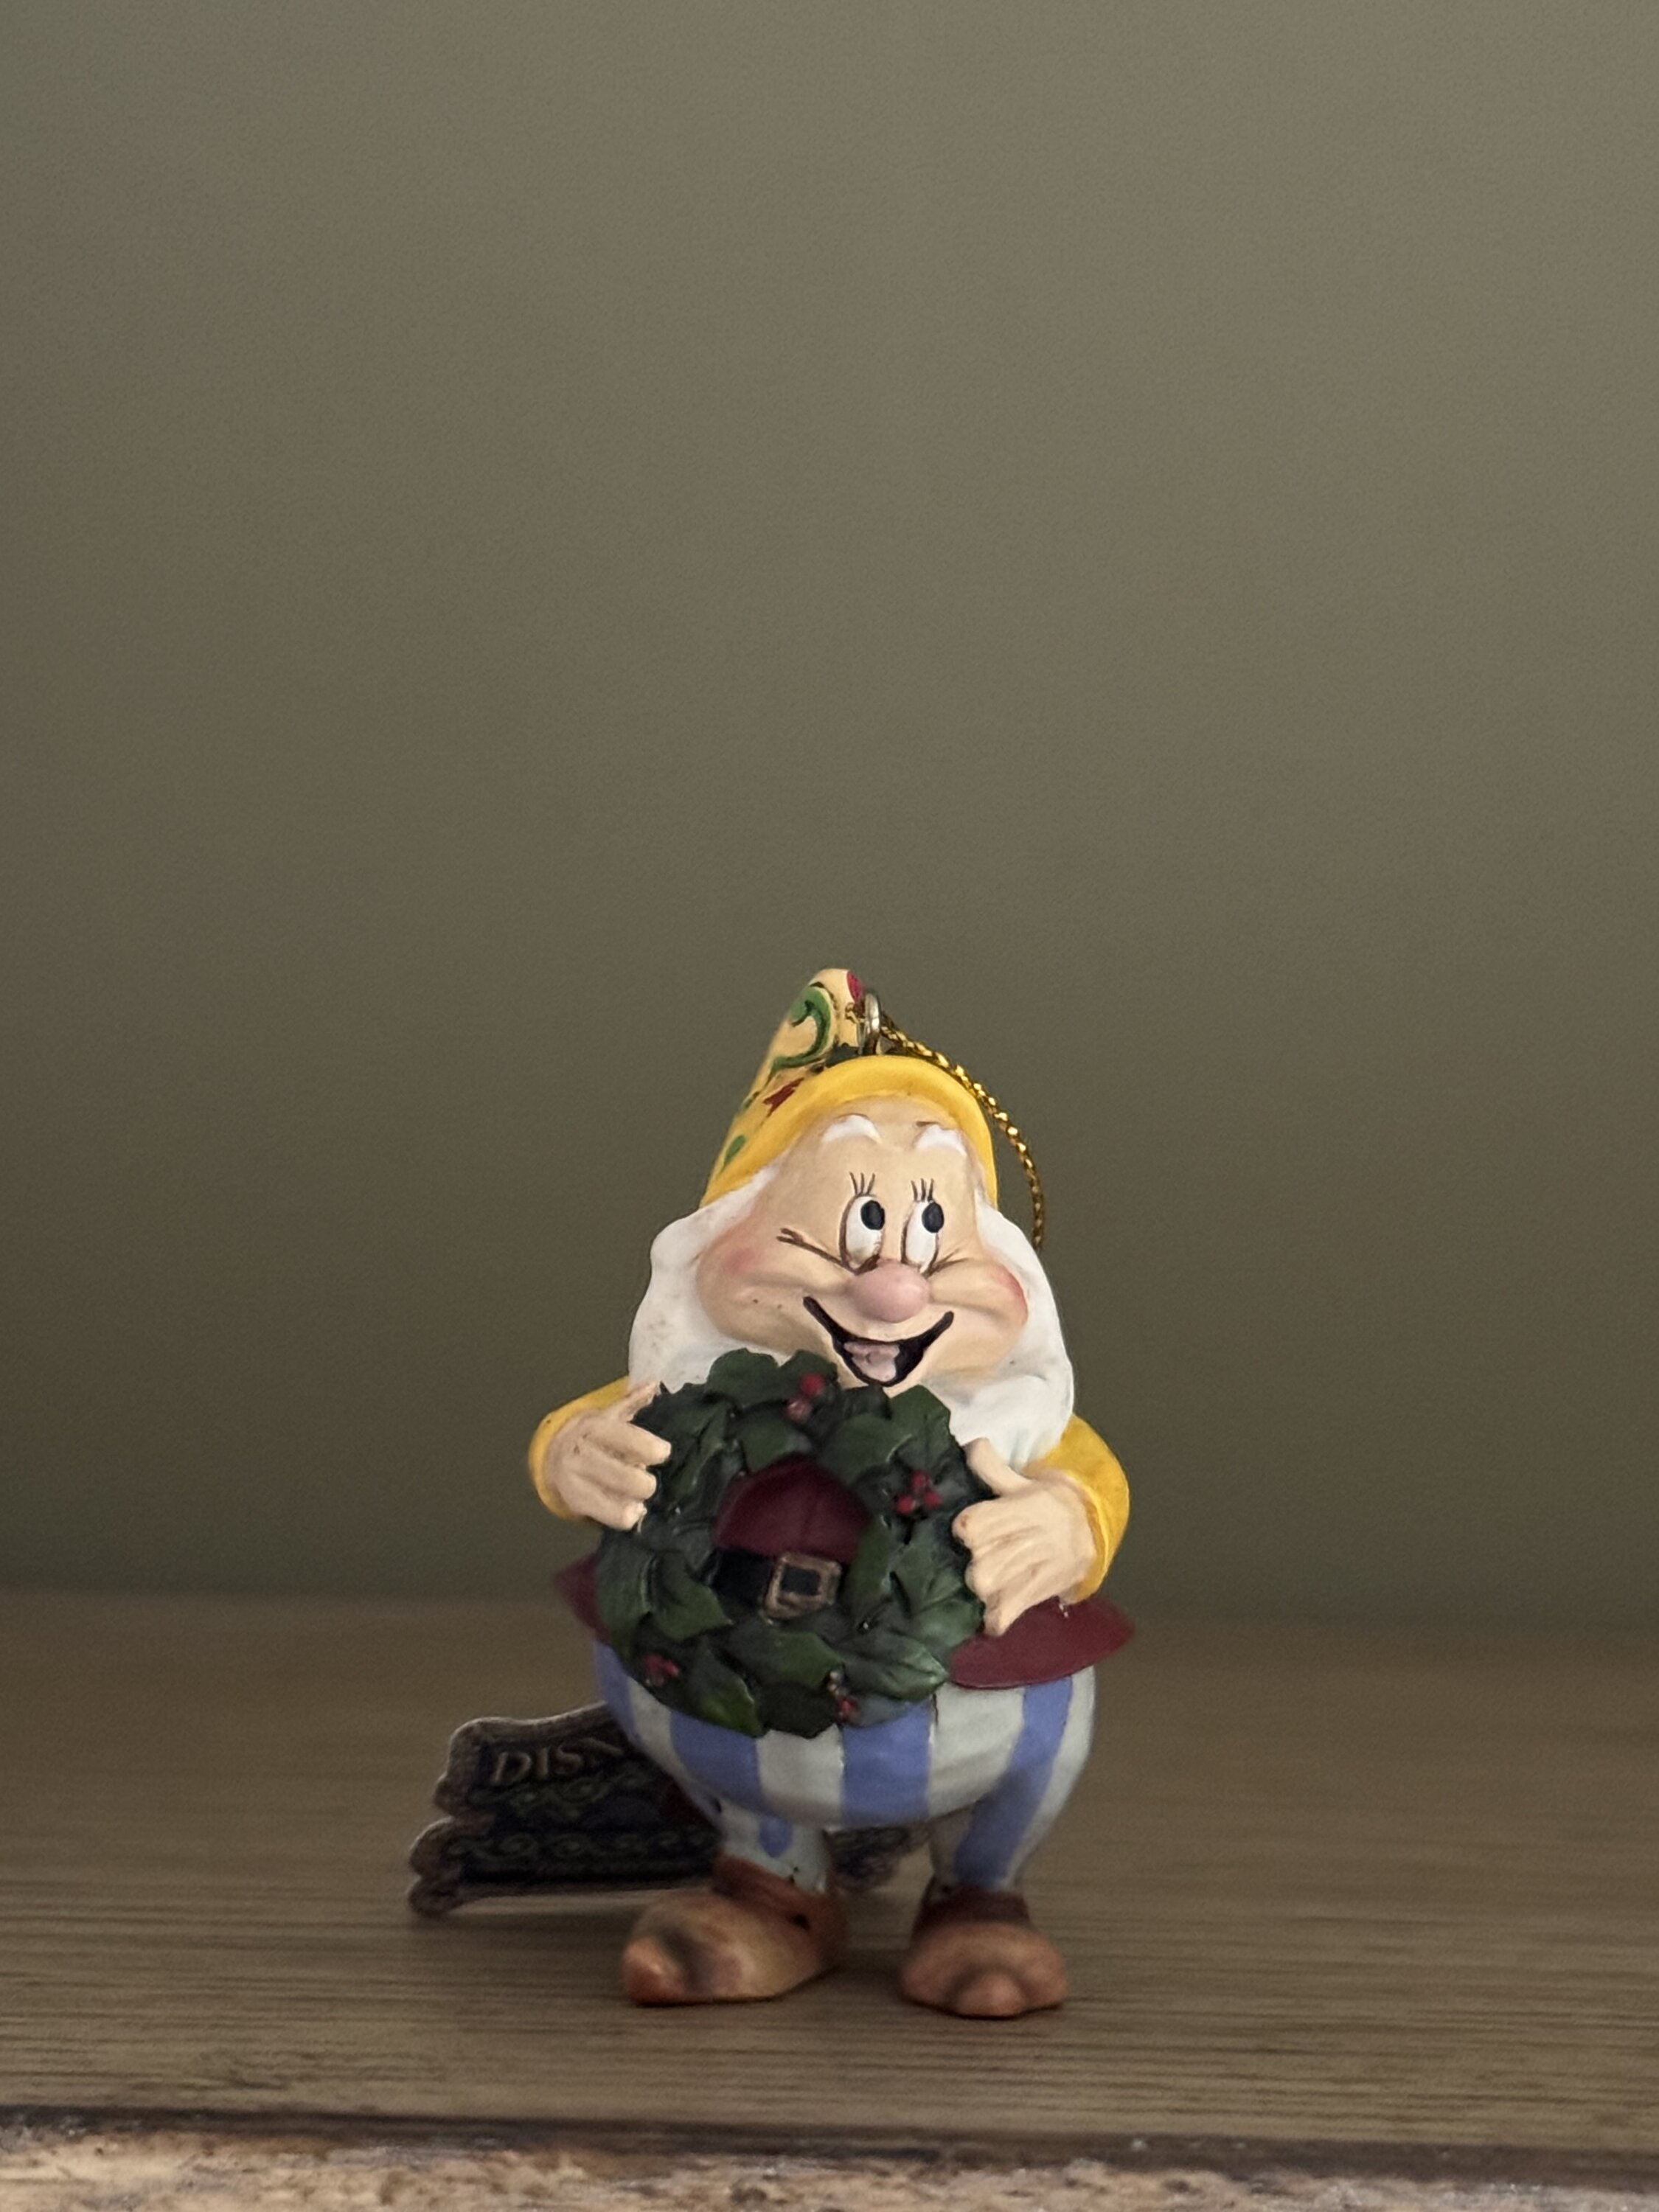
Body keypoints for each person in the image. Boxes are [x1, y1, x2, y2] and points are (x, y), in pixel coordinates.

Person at [531, 967, 1130, 2015]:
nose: (892, 1288)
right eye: (848, 1232)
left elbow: (1088, 1476)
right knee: (721, 1734)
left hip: (975, 1673)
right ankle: (776, 1888)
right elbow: (584, 1428)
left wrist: (1067, 1519)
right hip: (712, 1661)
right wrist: (571, 1453)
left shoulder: (1014, 1417)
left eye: (931, 1241)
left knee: (1032, 1742)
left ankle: (977, 1896)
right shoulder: (683, 1394)